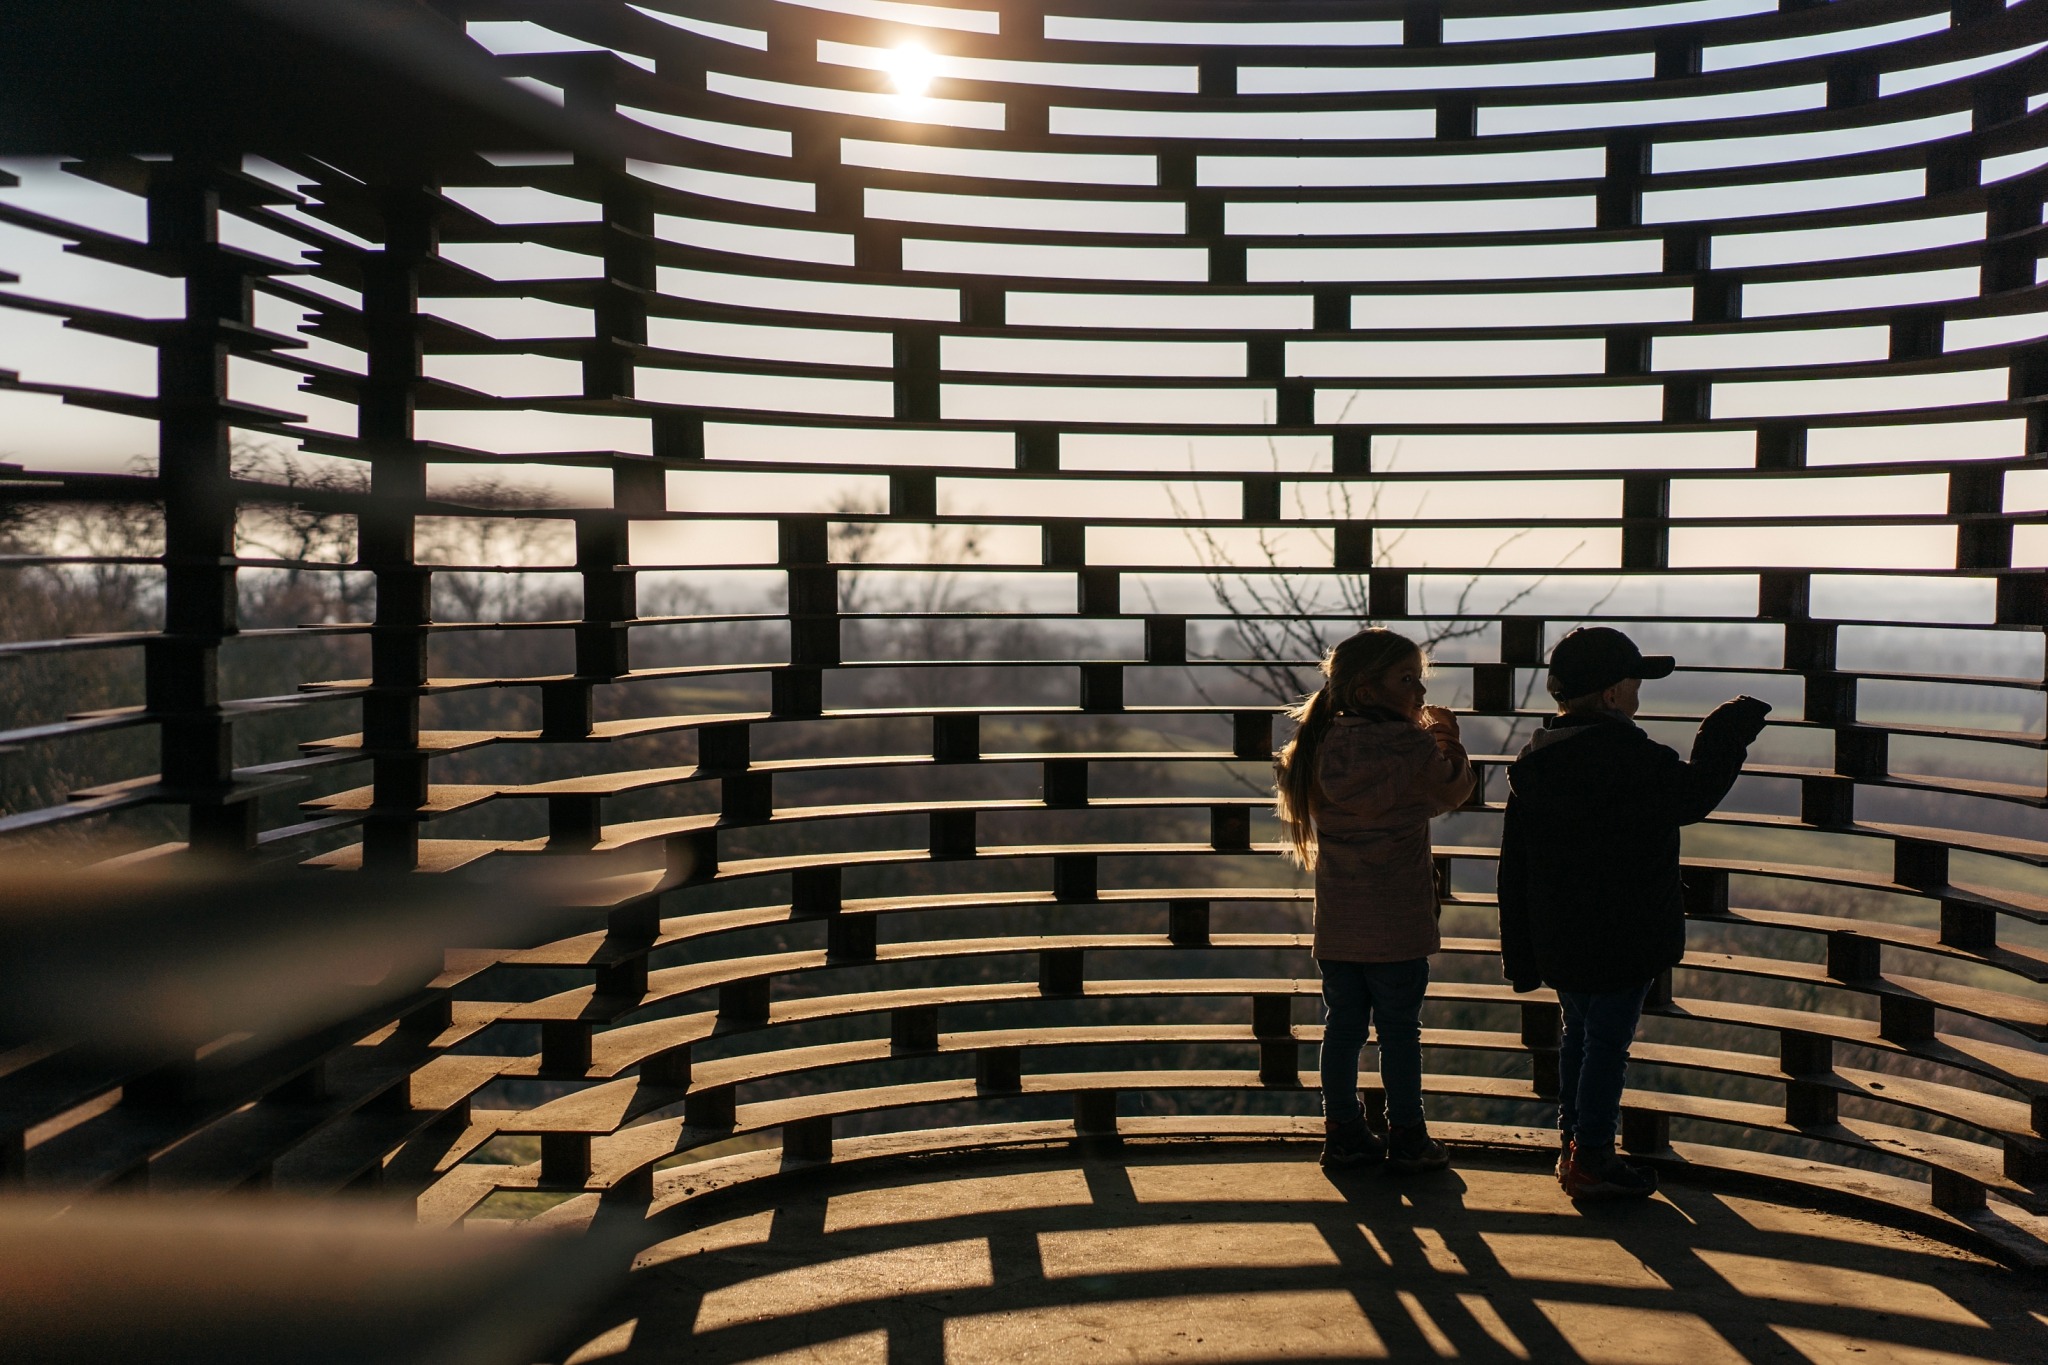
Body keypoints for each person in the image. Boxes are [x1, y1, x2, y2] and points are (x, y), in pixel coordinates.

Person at [1497, 626, 1771, 1201]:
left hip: (1559, 938)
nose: (1640, 695)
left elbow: (1513, 867)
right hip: (1623, 936)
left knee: (1579, 1037)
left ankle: (1573, 1146)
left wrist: (1521, 953)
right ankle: (1593, 1156)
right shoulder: (1628, 758)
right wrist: (1724, 734)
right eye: (1635, 684)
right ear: (1614, 695)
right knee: (1607, 1046)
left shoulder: (1534, 764)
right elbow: (1692, 796)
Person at [1275, 628, 1476, 1174]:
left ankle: (1341, 1130)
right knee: (1399, 1032)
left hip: (1339, 922)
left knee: (1342, 1027)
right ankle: (1407, 1133)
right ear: (1367, 690)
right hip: (1399, 921)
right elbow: (1453, 789)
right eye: (1407, 679)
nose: (1418, 690)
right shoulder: (1411, 745)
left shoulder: (1315, 746)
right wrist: (1446, 736)